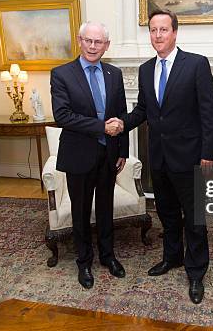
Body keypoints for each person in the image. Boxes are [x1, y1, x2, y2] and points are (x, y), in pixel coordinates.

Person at [112, 9, 213, 304]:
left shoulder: (196, 64)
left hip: (190, 156)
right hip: (158, 156)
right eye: (153, 30)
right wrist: (122, 124)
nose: (158, 35)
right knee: (167, 213)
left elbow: (209, 112)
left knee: (194, 217)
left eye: (163, 30)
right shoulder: (146, 69)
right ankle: (172, 257)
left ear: (174, 32)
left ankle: (196, 272)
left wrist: (209, 152)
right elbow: (144, 110)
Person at [50, 21, 127, 289]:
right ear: (79, 40)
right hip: (78, 156)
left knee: (105, 209)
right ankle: (84, 262)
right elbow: (63, 116)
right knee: (81, 212)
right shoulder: (61, 74)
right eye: (88, 41)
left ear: (107, 45)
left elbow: (121, 114)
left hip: (109, 155)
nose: (93, 46)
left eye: (99, 42)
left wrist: (123, 150)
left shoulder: (114, 74)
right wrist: (100, 126)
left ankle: (108, 256)